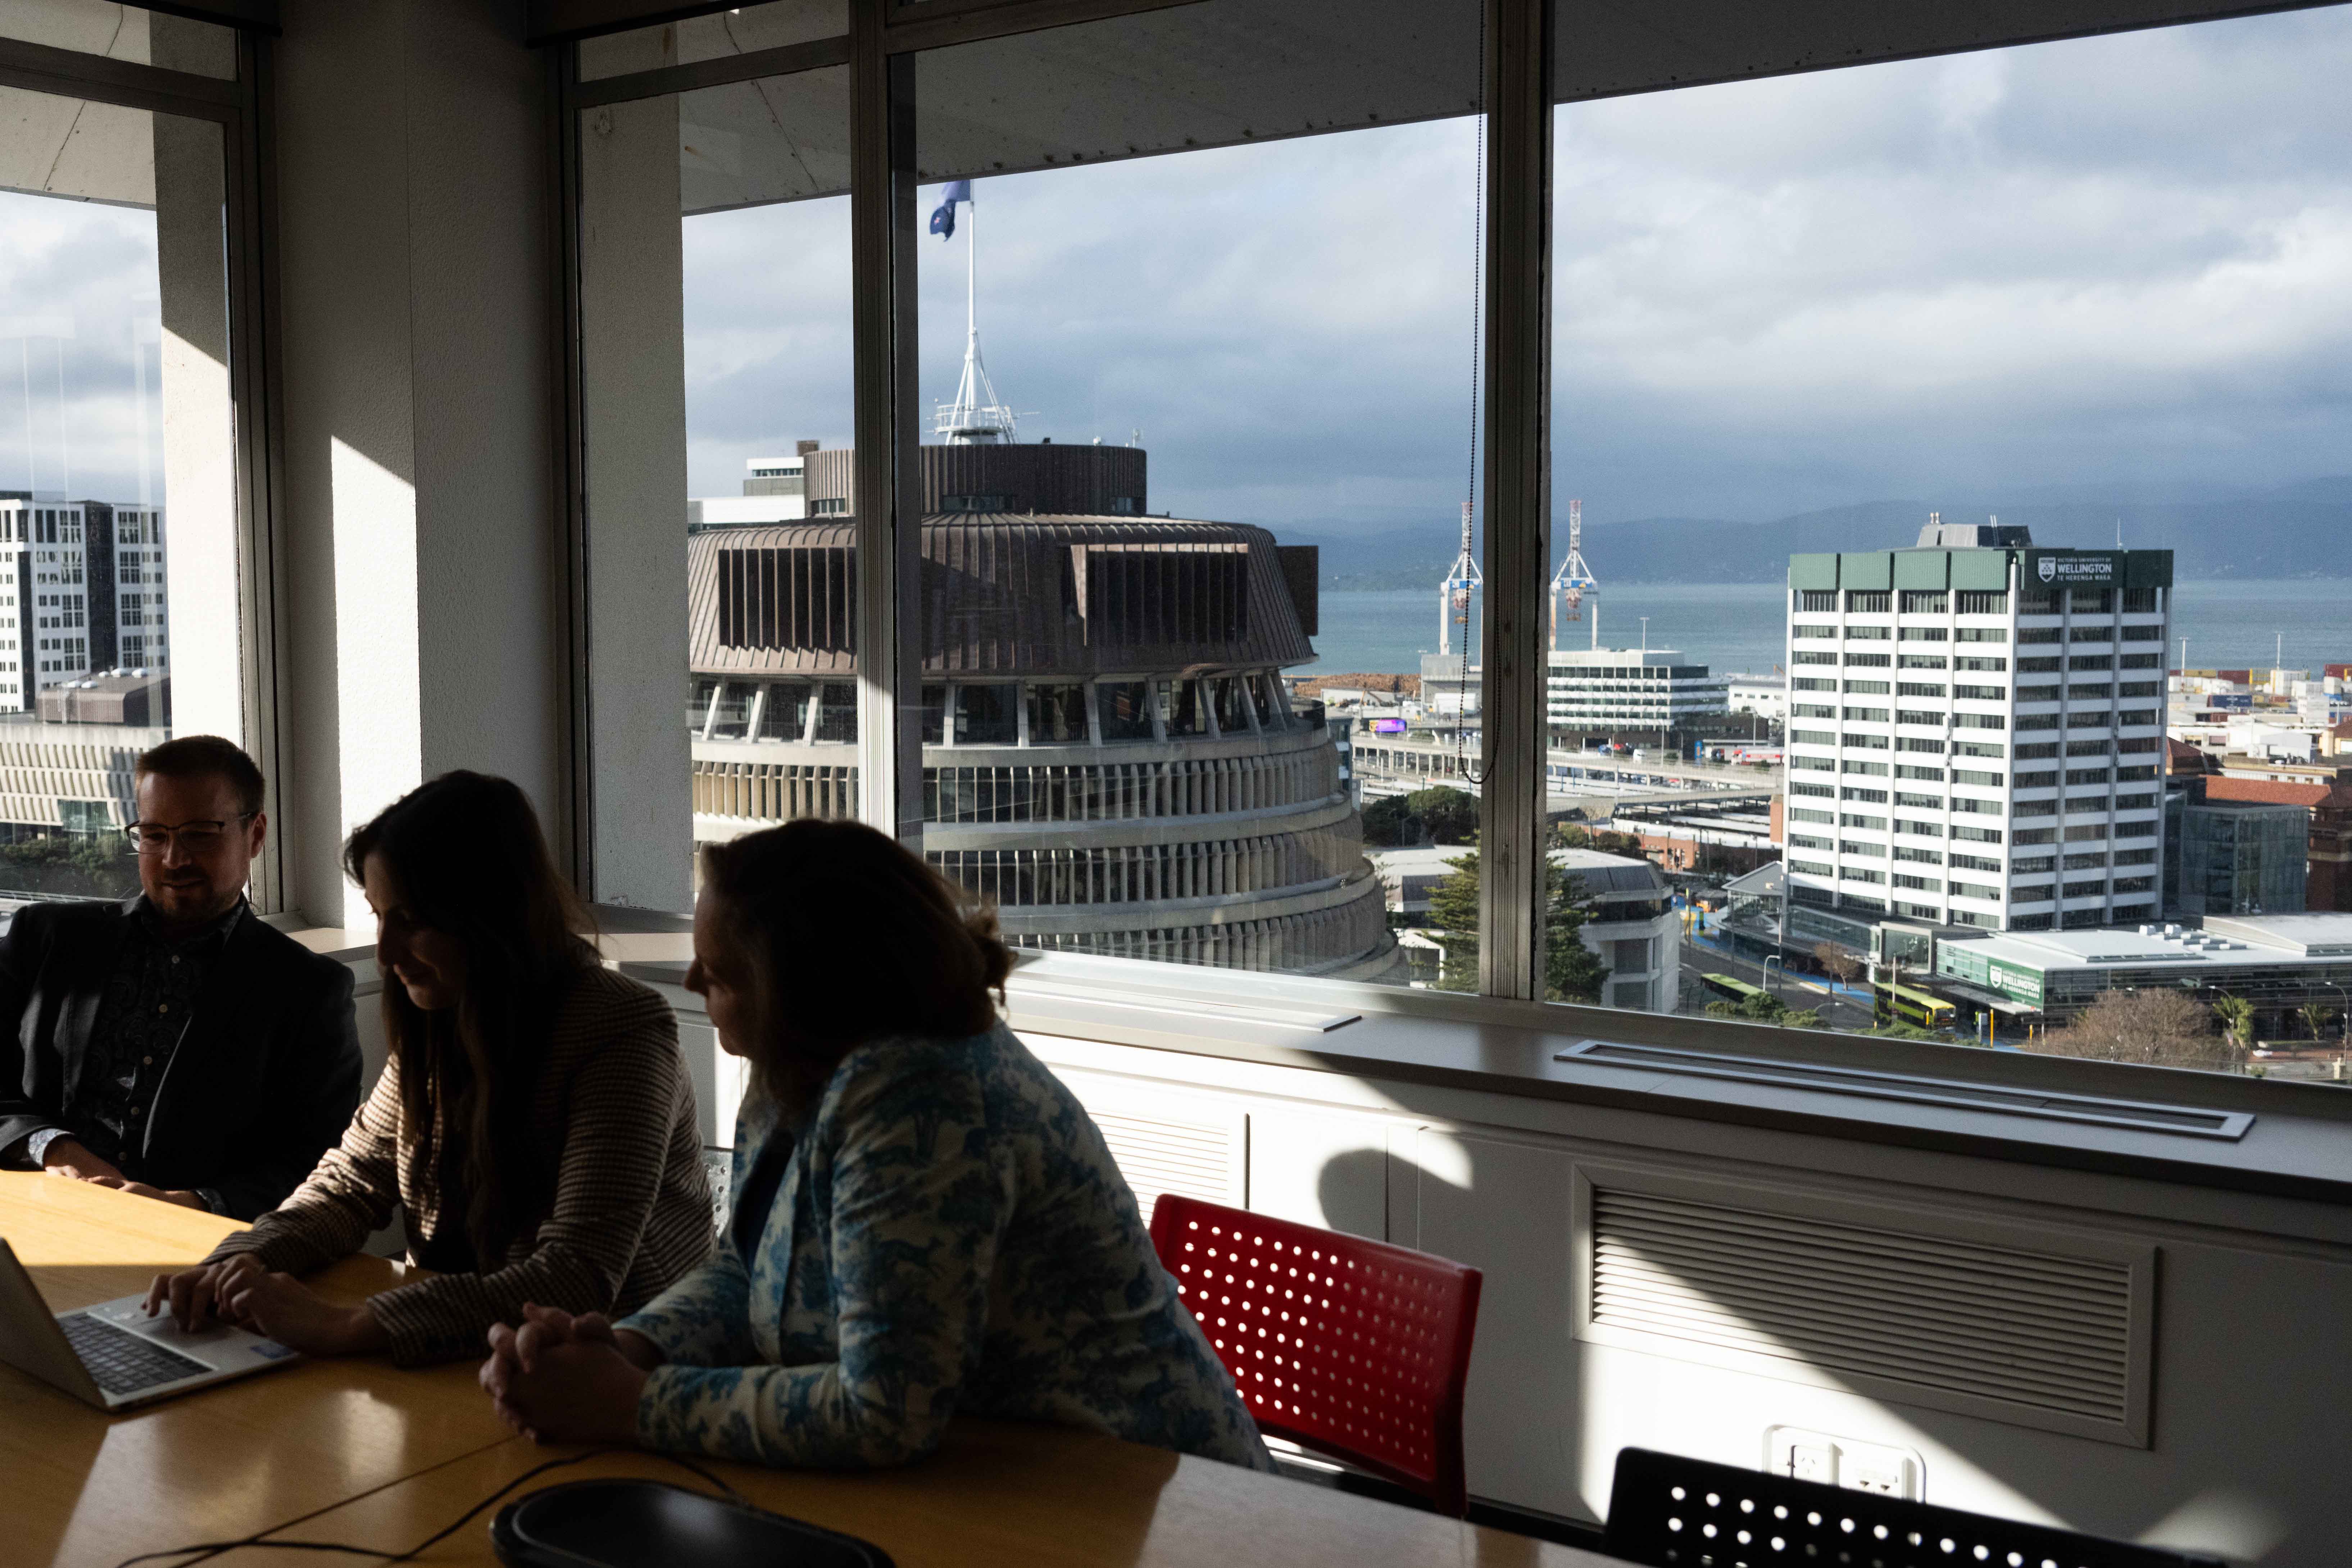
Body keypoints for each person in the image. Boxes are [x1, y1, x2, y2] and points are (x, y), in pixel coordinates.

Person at [477, 818, 1271, 1472]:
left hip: (1148, 1494)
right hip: (1003, 1472)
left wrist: (627, 1403)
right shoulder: (797, 1063)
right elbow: (746, 1265)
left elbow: (884, 1410)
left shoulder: (926, 1099)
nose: (688, 982)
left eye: (718, 970)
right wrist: (624, 1347)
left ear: (801, 983)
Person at [146, 771, 712, 1367]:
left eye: (411, 920)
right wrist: (241, 1263)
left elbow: (575, 1278)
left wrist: (342, 1326)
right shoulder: (443, 1015)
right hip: (471, 1358)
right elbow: (350, 1184)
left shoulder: (620, 1030)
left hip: (615, 1371)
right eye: (378, 915)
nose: (386, 956)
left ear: (489, 916)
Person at [0, 735, 360, 1218]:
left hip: (202, 1259)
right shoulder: (44, 940)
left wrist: (191, 1206)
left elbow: (318, 1160)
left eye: (199, 833)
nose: (174, 859)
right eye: (154, 835)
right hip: (32, 1219)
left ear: (255, 836)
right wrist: (54, 1148)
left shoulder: (309, 990)